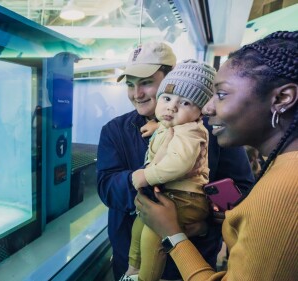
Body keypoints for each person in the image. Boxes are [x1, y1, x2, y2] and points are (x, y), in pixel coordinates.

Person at [134, 31, 298, 280]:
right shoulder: (283, 165)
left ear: (282, 98)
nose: (208, 108)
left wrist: (173, 233)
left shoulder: (286, 190)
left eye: (220, 95)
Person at [96, 41, 255, 281]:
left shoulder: (214, 129)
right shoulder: (114, 130)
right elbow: (107, 188)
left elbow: (241, 190)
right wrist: (151, 180)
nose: (136, 94)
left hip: (192, 263)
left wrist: (205, 224)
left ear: (172, 76)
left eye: (146, 83)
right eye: (130, 85)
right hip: (130, 260)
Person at [125, 60, 216, 281]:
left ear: (200, 111)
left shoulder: (191, 132)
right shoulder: (171, 126)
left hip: (186, 198)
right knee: (139, 226)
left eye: (185, 103)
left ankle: (146, 277)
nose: (172, 107)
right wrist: (161, 125)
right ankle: (133, 270)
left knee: (152, 235)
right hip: (171, 196)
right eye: (166, 99)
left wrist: (145, 176)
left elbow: (179, 163)